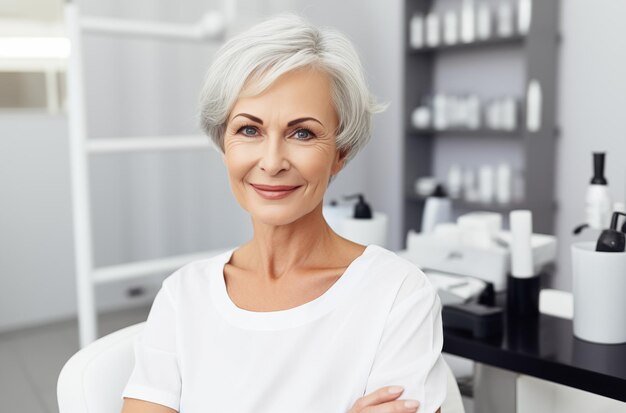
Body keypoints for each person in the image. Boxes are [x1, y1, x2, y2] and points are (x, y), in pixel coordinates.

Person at [121, 12, 447, 413]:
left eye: (302, 133)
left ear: (340, 153)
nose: (272, 161)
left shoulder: (398, 295)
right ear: (224, 144)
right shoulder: (181, 297)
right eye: (249, 130)